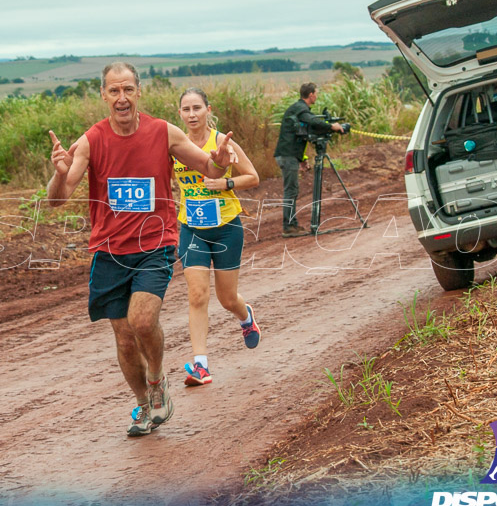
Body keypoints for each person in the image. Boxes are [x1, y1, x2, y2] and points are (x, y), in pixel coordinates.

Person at [47, 62, 235, 438]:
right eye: (114, 91)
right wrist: (58, 171)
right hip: (110, 250)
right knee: (123, 337)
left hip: (155, 244)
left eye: (128, 90)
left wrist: (221, 161)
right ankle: (145, 405)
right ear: (103, 95)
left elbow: (209, 170)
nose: (122, 98)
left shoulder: (164, 133)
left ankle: (155, 379)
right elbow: (58, 198)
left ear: (138, 92)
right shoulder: (91, 140)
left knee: (143, 321)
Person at [173, 88, 261, 387]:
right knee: (197, 295)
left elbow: (253, 176)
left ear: (208, 110)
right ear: (180, 114)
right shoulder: (175, 145)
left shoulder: (222, 141)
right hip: (192, 228)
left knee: (226, 299)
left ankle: (245, 316)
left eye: (197, 108)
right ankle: (201, 366)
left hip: (226, 227)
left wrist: (225, 183)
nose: (192, 114)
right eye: (186, 110)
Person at [273, 82, 345, 236]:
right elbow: (313, 121)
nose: (316, 96)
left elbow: (300, 134)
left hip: (289, 155)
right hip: (287, 156)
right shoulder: (301, 109)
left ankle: (292, 225)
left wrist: (302, 159)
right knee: (291, 191)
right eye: (316, 93)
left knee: (292, 190)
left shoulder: (298, 109)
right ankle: (289, 227)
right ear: (311, 94)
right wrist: (333, 127)